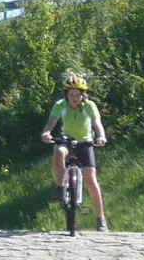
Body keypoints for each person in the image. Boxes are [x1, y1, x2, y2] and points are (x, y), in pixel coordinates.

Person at [39, 71, 109, 231]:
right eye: (72, 94)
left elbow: (96, 123)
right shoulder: (60, 105)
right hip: (67, 140)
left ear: (83, 95)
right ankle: (60, 188)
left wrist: (101, 136)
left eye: (78, 94)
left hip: (85, 142)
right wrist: (46, 133)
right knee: (59, 151)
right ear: (67, 94)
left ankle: (100, 218)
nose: (75, 98)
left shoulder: (89, 106)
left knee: (91, 180)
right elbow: (52, 121)